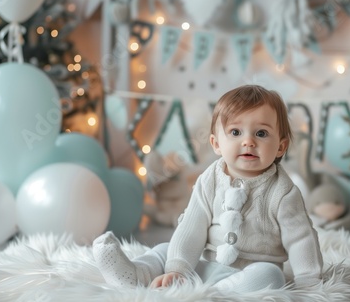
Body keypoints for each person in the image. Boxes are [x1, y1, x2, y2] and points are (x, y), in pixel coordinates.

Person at [93, 85, 323, 293]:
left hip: (249, 277)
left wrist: (309, 281)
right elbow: (192, 227)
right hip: (205, 267)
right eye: (235, 132)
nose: (248, 141)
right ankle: (133, 275)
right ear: (216, 144)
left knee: (272, 276)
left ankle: (215, 296)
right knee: (166, 250)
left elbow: (301, 238)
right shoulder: (210, 179)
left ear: (281, 147)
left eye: (261, 133)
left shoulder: (283, 191)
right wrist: (178, 269)